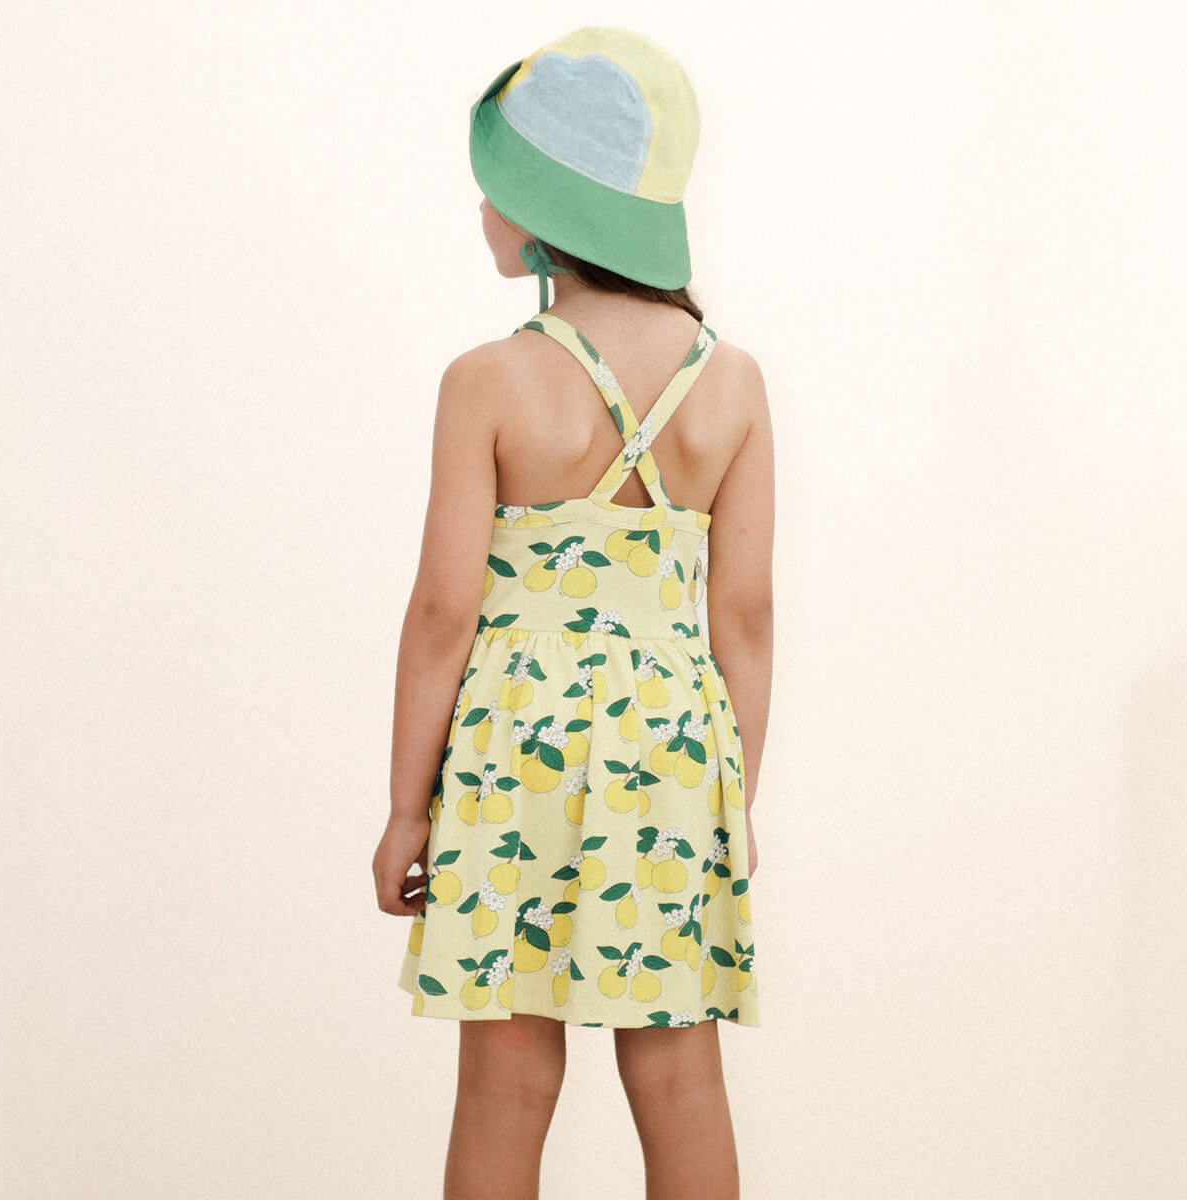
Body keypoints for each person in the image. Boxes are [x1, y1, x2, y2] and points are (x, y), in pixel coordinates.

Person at [372, 26, 774, 1200]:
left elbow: (444, 611)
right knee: (681, 1075)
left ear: (549, 209)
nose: (482, 208)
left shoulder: (489, 381)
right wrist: (735, 801)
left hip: (515, 746)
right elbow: (745, 618)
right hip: (674, 748)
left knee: (503, 1080)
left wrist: (405, 809)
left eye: (497, 186)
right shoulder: (732, 383)